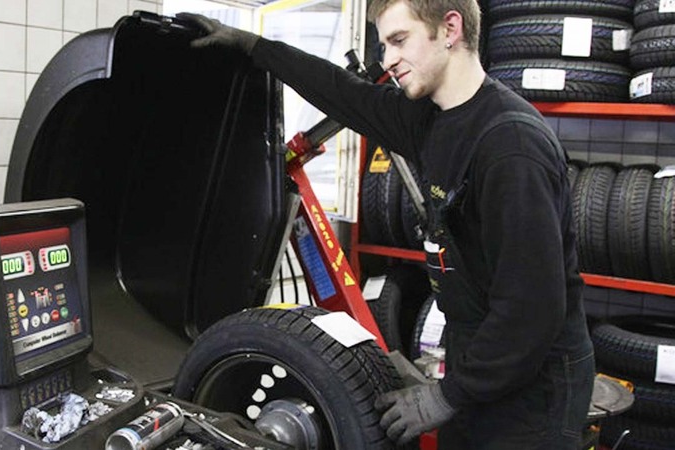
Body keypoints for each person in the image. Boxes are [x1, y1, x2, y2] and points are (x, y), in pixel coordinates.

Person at [178, 0, 595, 448]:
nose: (388, 59)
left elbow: (532, 312)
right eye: (383, 44)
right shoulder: (431, 117)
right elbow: (344, 93)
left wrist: (446, 396)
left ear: (450, 29)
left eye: (399, 40)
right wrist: (256, 46)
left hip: (536, 390)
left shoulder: (510, 149)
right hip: (481, 364)